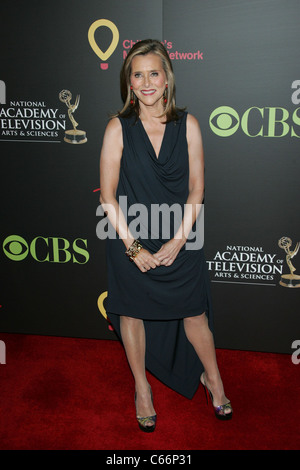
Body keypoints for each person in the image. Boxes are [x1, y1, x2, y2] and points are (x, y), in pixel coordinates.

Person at [99, 39, 232, 432]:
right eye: (136, 74)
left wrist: (178, 240)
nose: (145, 82)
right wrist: (134, 246)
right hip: (130, 239)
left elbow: (197, 190)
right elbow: (107, 196)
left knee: (195, 315)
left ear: (167, 77)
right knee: (133, 314)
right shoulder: (117, 128)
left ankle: (214, 380)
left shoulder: (187, 125)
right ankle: (142, 388)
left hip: (182, 236)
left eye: (153, 73)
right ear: (128, 82)